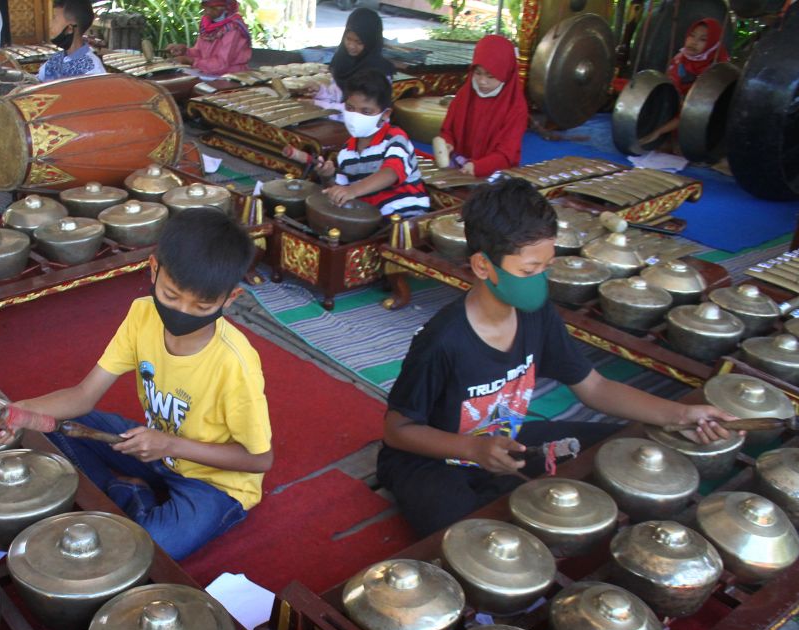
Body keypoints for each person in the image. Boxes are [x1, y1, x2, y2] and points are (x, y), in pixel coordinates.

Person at [377, 178, 737, 536]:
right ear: (483, 267)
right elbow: (398, 431)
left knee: (623, 450)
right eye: (528, 271)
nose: (540, 280)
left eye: (546, 268)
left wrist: (682, 414)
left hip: (504, 441)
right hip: (432, 458)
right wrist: (472, 448)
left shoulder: (536, 314)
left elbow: (594, 387)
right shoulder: (442, 341)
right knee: (471, 536)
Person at [0, 209, 272, 559]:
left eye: (203, 305)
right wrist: (17, 411)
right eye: (170, 296)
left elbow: (259, 460)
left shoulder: (235, 364)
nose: (182, 311)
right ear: (153, 269)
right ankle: (126, 494)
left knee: (148, 549)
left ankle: (125, 498)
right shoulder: (142, 315)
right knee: (47, 427)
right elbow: (83, 395)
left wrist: (170, 445)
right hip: (153, 450)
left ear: (230, 299)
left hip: (214, 483)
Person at [286, 69, 430, 219]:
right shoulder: (346, 151)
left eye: (366, 111)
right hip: (368, 217)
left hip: (405, 217)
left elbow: (390, 173)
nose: (355, 115)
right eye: (350, 108)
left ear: (385, 115)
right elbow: (340, 190)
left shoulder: (395, 138)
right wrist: (327, 177)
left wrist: (353, 190)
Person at [432, 34, 527, 177]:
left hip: (494, 171)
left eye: (490, 76)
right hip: (459, 164)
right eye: (477, 73)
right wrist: (448, 143)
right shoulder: (465, 94)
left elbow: (507, 154)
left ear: (506, 73)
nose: (482, 81)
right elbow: (448, 130)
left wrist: (478, 166)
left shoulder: (515, 107)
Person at [638, 18, 729, 149]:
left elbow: (694, 111)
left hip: (701, 128)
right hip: (675, 118)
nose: (694, 42)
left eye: (703, 39)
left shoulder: (717, 73)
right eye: (692, 35)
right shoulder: (679, 60)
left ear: (712, 43)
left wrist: (659, 131)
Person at [305, 7, 393, 118]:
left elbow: (359, 111)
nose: (351, 46)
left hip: (362, 127)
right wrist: (321, 92)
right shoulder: (341, 61)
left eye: (358, 42)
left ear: (371, 42)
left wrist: (320, 105)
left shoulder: (379, 72)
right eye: (348, 39)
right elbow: (337, 96)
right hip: (334, 119)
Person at [164, 0, 252, 78]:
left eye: (213, 8)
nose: (207, 11)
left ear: (226, 7)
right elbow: (200, 53)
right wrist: (185, 51)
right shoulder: (207, 24)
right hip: (209, 74)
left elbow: (221, 64)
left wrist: (190, 61)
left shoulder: (233, 27)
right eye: (205, 6)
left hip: (231, 77)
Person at [37, 0, 105, 81]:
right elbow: (37, 82)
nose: (50, 25)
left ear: (69, 29)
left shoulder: (93, 70)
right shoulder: (56, 59)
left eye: (55, 19)